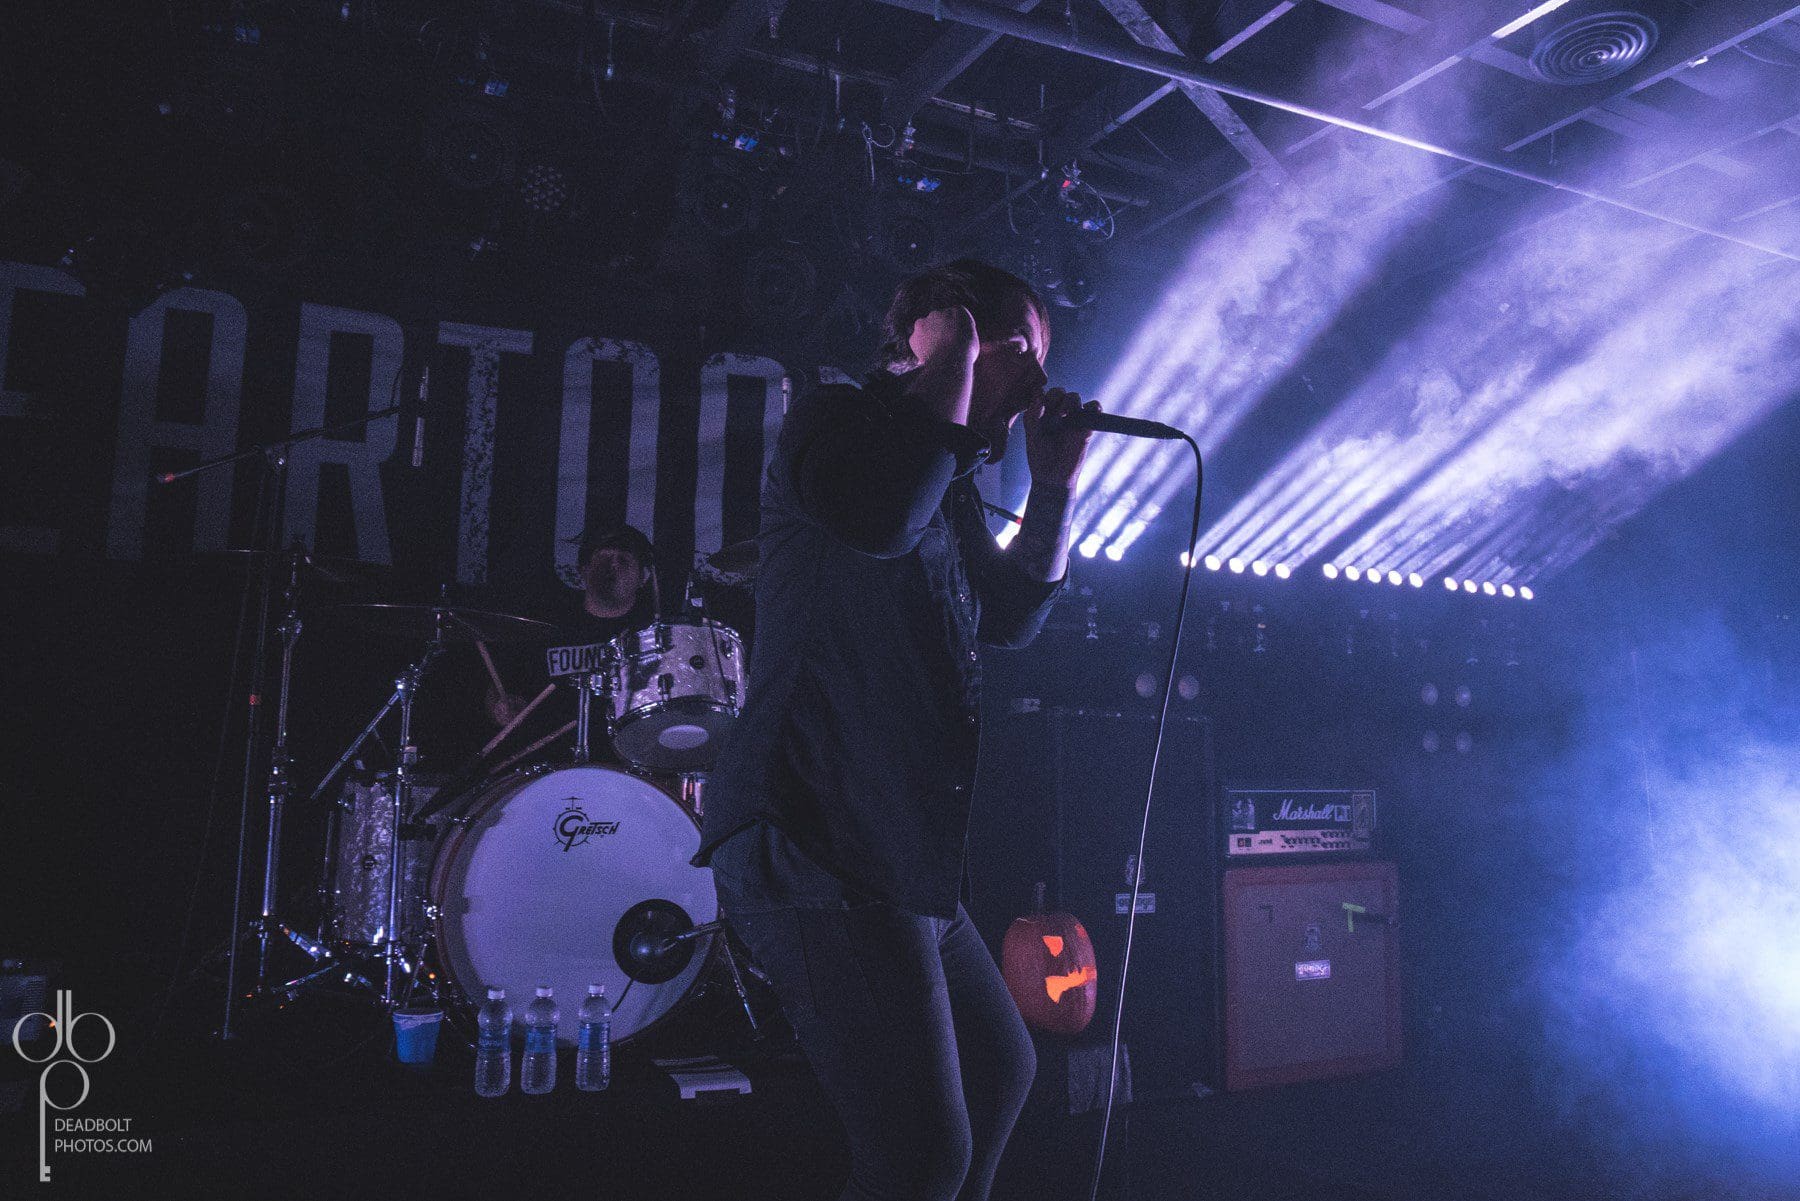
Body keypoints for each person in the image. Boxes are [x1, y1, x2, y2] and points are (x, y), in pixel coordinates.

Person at [693, 259, 1096, 1201]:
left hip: (891, 845)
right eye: (1022, 352)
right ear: (947, 334)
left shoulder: (944, 479)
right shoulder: (836, 423)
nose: (1039, 383)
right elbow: (882, 519)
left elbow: (1009, 616)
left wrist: (1053, 488)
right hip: (810, 831)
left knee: (1000, 1070)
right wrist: (949, 358)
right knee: (919, 1155)